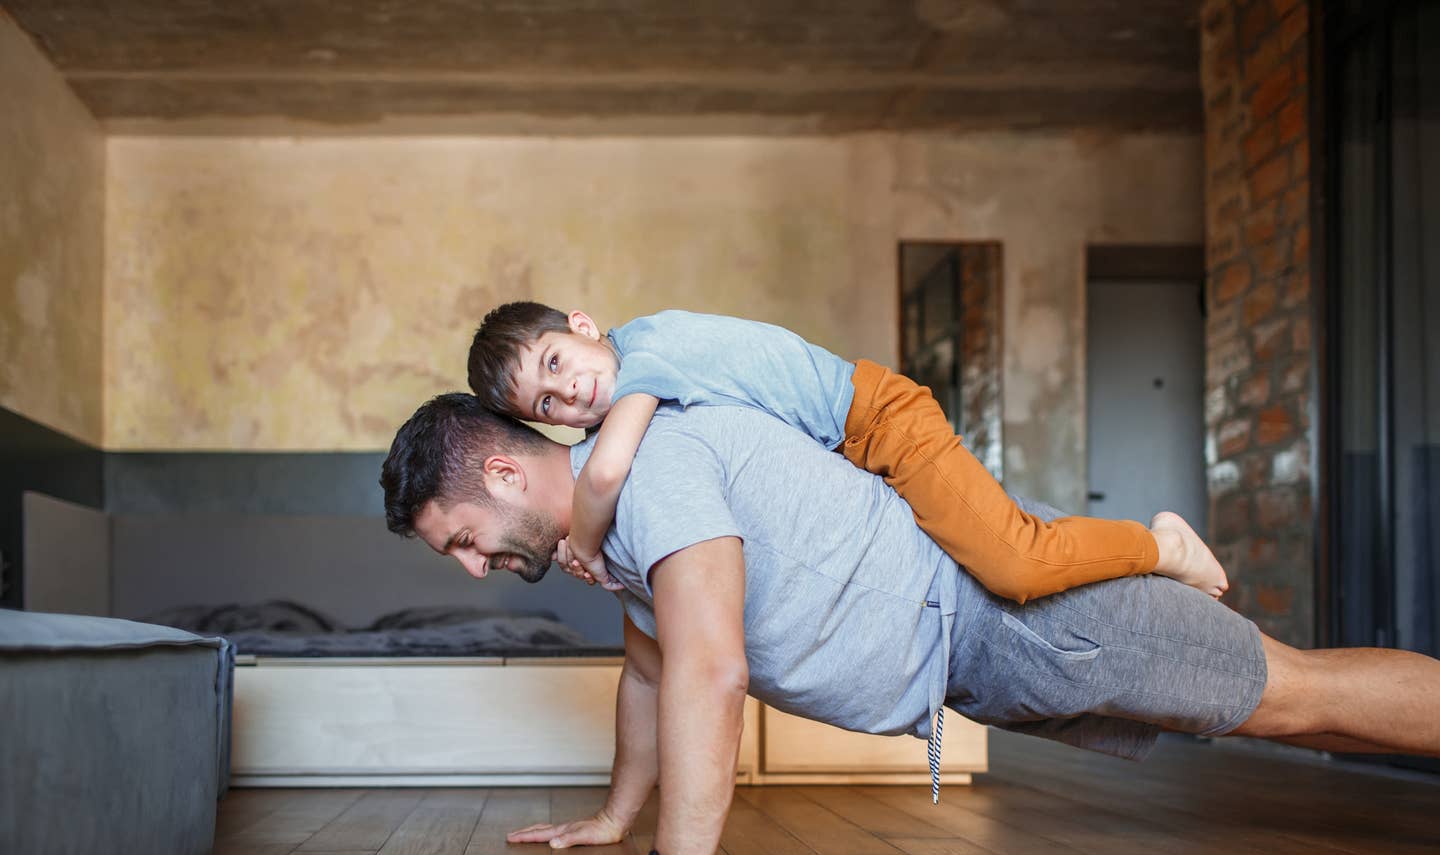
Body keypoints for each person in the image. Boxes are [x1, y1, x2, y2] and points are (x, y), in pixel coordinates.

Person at [379, 393, 1440, 855]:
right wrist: (616, 816)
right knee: (1275, 713)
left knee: (1297, 695)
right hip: (997, 662)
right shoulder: (616, 533)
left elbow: (709, 671)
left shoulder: (654, 476)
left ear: (508, 471)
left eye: (465, 538)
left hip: (1032, 623)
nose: (478, 567)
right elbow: (653, 674)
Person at [465, 303, 1227, 600]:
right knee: (995, 539)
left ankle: (1160, 546)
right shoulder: (631, 394)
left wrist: (585, 548)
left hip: (882, 421)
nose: (572, 398)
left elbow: (602, 473)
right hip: (854, 449)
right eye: (548, 406)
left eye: (558, 365)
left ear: (583, 325)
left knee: (1013, 565)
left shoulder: (649, 353)